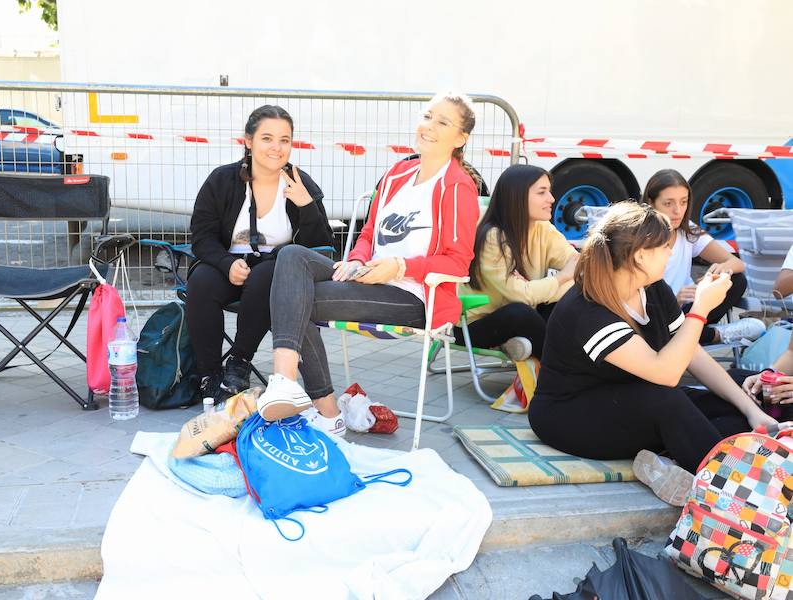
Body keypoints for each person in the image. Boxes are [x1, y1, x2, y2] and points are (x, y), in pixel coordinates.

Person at [253, 92, 482, 436]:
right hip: (368, 278)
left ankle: (324, 411)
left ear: (460, 138)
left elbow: (458, 262)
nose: (429, 126)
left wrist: (400, 267)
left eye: (443, 122)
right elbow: (370, 231)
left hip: (416, 296)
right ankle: (287, 383)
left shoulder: (458, 187)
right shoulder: (397, 174)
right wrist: (358, 258)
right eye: (427, 116)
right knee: (291, 257)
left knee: (294, 300)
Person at [529, 202, 778, 507]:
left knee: (739, 396)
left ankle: (674, 464)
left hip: (631, 397)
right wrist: (701, 309)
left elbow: (692, 355)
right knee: (668, 400)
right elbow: (667, 373)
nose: (671, 253)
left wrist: (750, 408)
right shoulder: (586, 308)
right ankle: (732, 491)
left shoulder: (653, 287)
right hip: (568, 415)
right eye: (665, 247)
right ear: (640, 255)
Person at [187, 105, 333, 402]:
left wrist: (306, 206)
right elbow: (201, 237)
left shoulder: (300, 183)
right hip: (229, 264)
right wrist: (226, 263)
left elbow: (322, 246)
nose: (276, 148)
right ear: (248, 141)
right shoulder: (222, 180)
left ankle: (238, 363)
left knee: (269, 274)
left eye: (284, 140)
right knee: (201, 280)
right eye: (267, 138)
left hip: (275, 271)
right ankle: (209, 375)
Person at [461, 164, 578, 361]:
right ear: (517, 196)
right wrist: (562, 278)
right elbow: (519, 295)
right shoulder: (493, 236)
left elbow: (579, 265)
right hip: (474, 324)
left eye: (549, 191)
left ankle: (561, 361)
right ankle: (565, 369)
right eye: (542, 193)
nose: (551, 199)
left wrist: (548, 290)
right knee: (520, 313)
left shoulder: (543, 229)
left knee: (576, 298)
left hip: (524, 312)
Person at [642, 169, 764, 345]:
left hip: (687, 309)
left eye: (683, 202)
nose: (677, 211)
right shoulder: (639, 238)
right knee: (667, 326)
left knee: (734, 279)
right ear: (651, 203)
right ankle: (715, 334)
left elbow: (736, 263)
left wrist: (721, 270)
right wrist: (675, 299)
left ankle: (698, 332)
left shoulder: (687, 231)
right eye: (668, 203)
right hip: (655, 315)